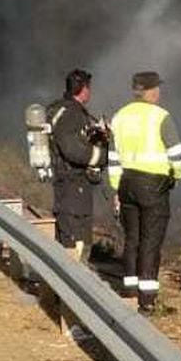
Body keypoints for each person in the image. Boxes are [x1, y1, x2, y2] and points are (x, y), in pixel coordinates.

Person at [107, 71, 181, 314]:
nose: (159, 93)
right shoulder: (160, 116)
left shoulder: (119, 117)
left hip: (126, 184)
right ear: (151, 91)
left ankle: (130, 289)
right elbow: (177, 153)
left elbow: (113, 157)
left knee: (133, 238)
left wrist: (116, 187)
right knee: (151, 241)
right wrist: (177, 175)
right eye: (157, 89)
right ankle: (148, 300)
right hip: (154, 185)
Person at [48, 68, 109, 259]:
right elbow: (73, 150)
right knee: (76, 235)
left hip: (71, 184)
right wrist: (101, 156)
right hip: (73, 184)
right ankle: (73, 278)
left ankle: (72, 276)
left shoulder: (63, 110)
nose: (90, 92)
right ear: (83, 90)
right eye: (88, 88)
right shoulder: (70, 114)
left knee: (72, 232)